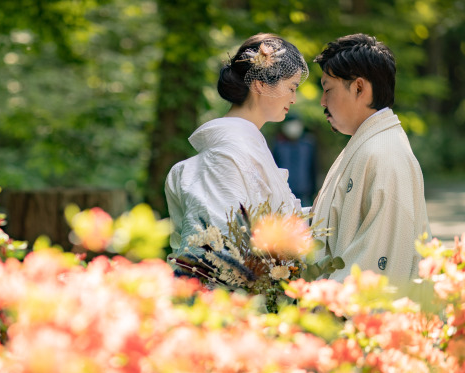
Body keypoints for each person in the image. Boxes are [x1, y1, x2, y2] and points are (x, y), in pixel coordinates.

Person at [165, 33, 306, 261]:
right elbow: (218, 244)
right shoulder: (226, 153)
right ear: (260, 85)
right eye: (291, 88)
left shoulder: (248, 144)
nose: (294, 99)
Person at [311, 33, 430, 283]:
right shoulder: (371, 144)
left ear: (359, 88)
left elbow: (377, 261)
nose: (322, 101)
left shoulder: (385, 153)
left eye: (327, 89)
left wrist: (322, 304)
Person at [272, 114, 317, 207]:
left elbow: (313, 168)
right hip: (284, 193)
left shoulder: (308, 144)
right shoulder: (279, 145)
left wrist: (313, 191)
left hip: (304, 194)